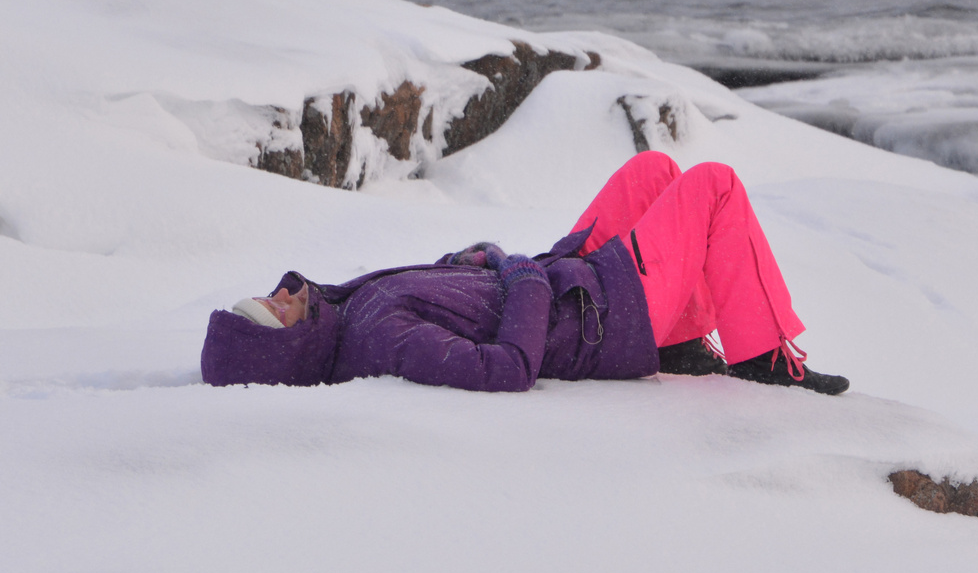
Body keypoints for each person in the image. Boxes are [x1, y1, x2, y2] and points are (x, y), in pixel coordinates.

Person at [201, 151, 849, 395]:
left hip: (568, 283)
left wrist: (477, 264)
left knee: (650, 171)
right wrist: (521, 277)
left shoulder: (350, 314)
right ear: (284, 346)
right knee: (715, 184)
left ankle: (679, 342)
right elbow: (506, 368)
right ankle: (765, 358)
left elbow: (452, 297)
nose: (282, 293)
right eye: (271, 309)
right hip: (599, 322)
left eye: (267, 294)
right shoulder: (380, 341)